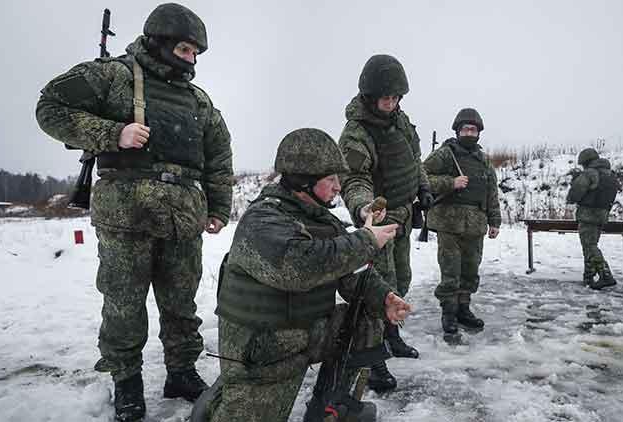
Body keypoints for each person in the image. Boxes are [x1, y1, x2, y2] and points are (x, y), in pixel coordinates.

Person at [35, 4, 234, 421]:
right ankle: (126, 380)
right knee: (124, 304)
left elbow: (218, 157)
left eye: (196, 52)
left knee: (181, 304)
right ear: (160, 42)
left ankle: (181, 371)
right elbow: (50, 107)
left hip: (183, 217)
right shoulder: (114, 76)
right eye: (184, 48)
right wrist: (113, 133)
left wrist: (218, 207)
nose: (191, 59)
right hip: (126, 214)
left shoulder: (198, 100)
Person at [193, 128, 410, 422]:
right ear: (304, 182)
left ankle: (333, 409)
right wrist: (366, 240)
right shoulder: (263, 219)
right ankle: (226, 395)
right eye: (330, 179)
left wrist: (384, 297)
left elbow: (349, 271)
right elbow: (299, 268)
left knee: (365, 315)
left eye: (338, 179)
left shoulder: (320, 218)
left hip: (306, 330)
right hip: (263, 351)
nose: (338, 187)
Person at [338, 54, 431, 391]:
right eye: (385, 98)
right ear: (369, 96)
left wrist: (424, 188)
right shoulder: (356, 133)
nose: (391, 104)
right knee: (380, 288)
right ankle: (373, 360)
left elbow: (414, 159)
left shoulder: (401, 122)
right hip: (379, 221)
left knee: (401, 279)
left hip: (404, 215)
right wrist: (365, 209)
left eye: (396, 98)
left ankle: (391, 334)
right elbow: (353, 179)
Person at [422, 108, 501, 334]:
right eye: (465, 128)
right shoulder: (446, 154)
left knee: (470, 270)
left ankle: (463, 309)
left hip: (476, 223)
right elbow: (421, 176)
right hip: (449, 222)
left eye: (473, 129)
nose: (469, 132)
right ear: (457, 131)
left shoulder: (484, 161)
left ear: (479, 133)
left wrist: (494, 221)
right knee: (450, 269)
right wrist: (451, 182)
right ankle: (448, 312)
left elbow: (491, 192)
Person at [566, 148, 620, 290]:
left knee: (589, 245)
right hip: (602, 214)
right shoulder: (609, 174)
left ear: (585, 162)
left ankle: (605, 274)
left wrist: (573, 187)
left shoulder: (590, 173)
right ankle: (589, 275)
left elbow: (576, 193)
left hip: (588, 214)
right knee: (590, 245)